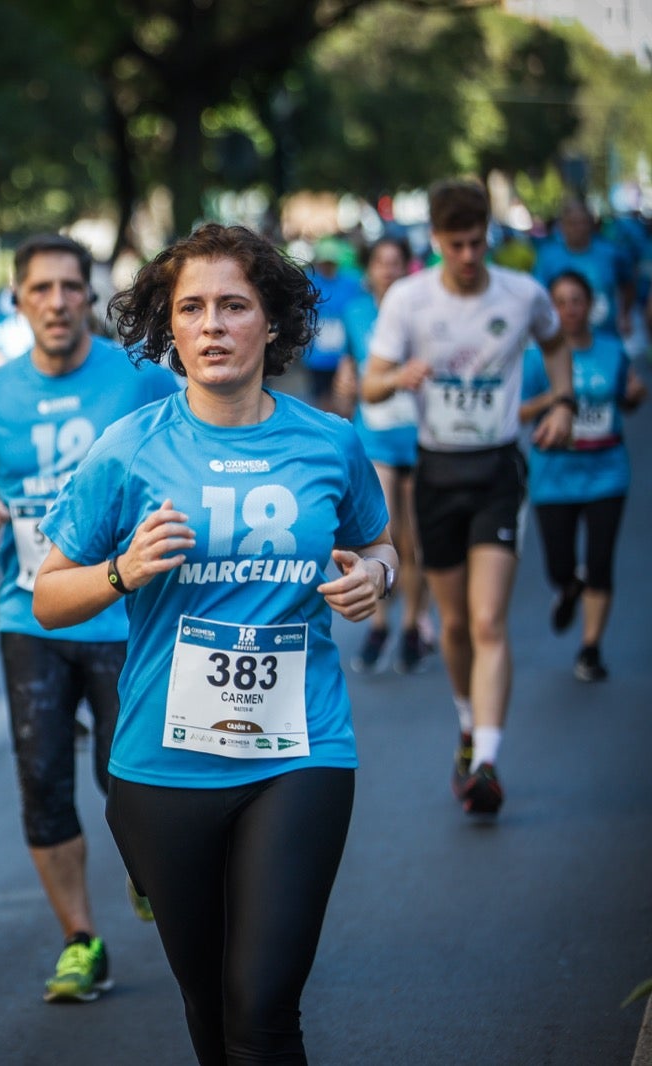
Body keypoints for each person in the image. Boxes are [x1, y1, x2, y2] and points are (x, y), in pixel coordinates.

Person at [33, 222, 395, 1065]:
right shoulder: (127, 451)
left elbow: (379, 544)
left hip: (301, 752)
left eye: (234, 305)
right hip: (162, 763)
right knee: (210, 1013)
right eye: (190, 308)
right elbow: (49, 597)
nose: (212, 325)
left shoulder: (330, 442)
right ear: (170, 329)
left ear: (273, 322)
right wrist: (123, 570)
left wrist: (375, 577)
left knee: (263, 1006)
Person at [0, 234, 176, 1003]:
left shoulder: (138, 379)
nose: (55, 301)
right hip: (31, 619)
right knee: (43, 783)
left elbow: (189, 452)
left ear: (89, 296)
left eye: (70, 287)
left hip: (122, 617)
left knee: (133, 783)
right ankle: (81, 940)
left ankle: (149, 872)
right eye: (39, 288)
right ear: (17, 301)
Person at [363, 179, 575, 817]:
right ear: (435, 241)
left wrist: (562, 400)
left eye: (477, 242)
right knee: (453, 623)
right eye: (454, 244)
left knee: (487, 620)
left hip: (497, 470)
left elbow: (557, 341)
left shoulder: (522, 293)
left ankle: (486, 760)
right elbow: (369, 388)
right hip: (437, 470)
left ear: (488, 235)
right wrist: (399, 377)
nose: (467, 255)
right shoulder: (408, 300)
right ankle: (465, 720)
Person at [518, 270, 645, 682]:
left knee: (601, 562)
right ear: (550, 309)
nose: (570, 309)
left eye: (577, 300)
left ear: (590, 305)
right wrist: (556, 397)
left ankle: (591, 648)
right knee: (560, 566)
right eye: (561, 301)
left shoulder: (612, 350)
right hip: (554, 475)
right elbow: (517, 413)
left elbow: (623, 402)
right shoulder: (537, 357)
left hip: (607, 472)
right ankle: (569, 588)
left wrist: (634, 396)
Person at [333, 236, 437, 674]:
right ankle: (379, 624)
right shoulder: (356, 313)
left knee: (414, 542)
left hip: (419, 435)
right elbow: (349, 368)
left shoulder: (423, 310)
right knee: (384, 535)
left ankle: (413, 624)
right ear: (369, 269)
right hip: (374, 438)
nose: (389, 271)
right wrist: (345, 386)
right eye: (382, 263)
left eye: (397, 263)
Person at [533, 199, 635, 342]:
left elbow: (628, 283)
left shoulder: (610, 252)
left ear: (591, 224)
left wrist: (625, 314)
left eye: (583, 222)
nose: (578, 228)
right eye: (572, 223)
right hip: (565, 339)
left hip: (606, 335)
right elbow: (539, 295)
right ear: (562, 226)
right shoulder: (548, 257)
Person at [301, 236, 362, 413]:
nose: (327, 267)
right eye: (324, 262)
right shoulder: (309, 282)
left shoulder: (351, 282)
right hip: (317, 357)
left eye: (331, 262)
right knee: (321, 402)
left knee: (344, 399)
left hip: (344, 355)